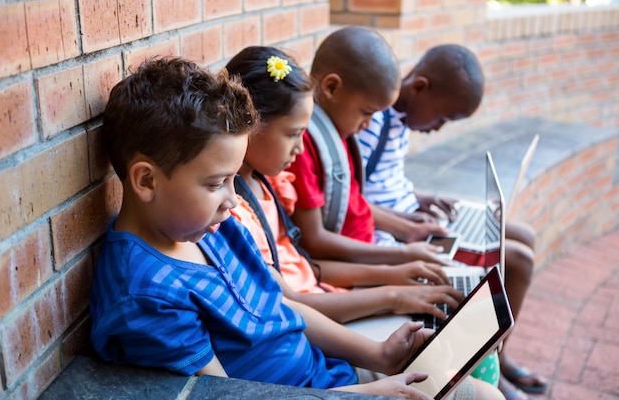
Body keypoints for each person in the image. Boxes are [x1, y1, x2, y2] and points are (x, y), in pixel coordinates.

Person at [88, 56, 464, 400]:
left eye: (234, 180)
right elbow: (223, 396)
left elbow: (281, 304)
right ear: (147, 181)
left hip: (329, 374)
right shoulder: (145, 296)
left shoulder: (211, 229)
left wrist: (379, 354)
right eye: (216, 183)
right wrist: (363, 394)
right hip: (331, 392)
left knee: (464, 369)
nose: (233, 200)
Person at [357, 44, 549, 400]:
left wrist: (422, 198)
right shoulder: (371, 122)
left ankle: (500, 353)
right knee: (518, 260)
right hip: (398, 237)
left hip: (412, 218)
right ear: (419, 88)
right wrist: (406, 225)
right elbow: (354, 202)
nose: (438, 128)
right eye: (441, 117)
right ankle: (495, 359)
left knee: (522, 233)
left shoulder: (398, 121)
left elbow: (384, 183)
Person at [226, 45, 464, 324]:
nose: (300, 148)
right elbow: (291, 301)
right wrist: (392, 293)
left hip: (330, 293)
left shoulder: (267, 181)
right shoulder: (235, 209)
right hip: (319, 315)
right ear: (250, 122)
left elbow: (307, 268)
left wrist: (394, 272)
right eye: (293, 134)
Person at [285, 25, 447, 267]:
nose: (367, 124)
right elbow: (314, 241)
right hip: (356, 264)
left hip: (371, 246)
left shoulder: (339, 133)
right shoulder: (302, 146)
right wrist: (403, 256)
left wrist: (407, 225)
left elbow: (353, 205)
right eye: (366, 112)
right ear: (331, 88)